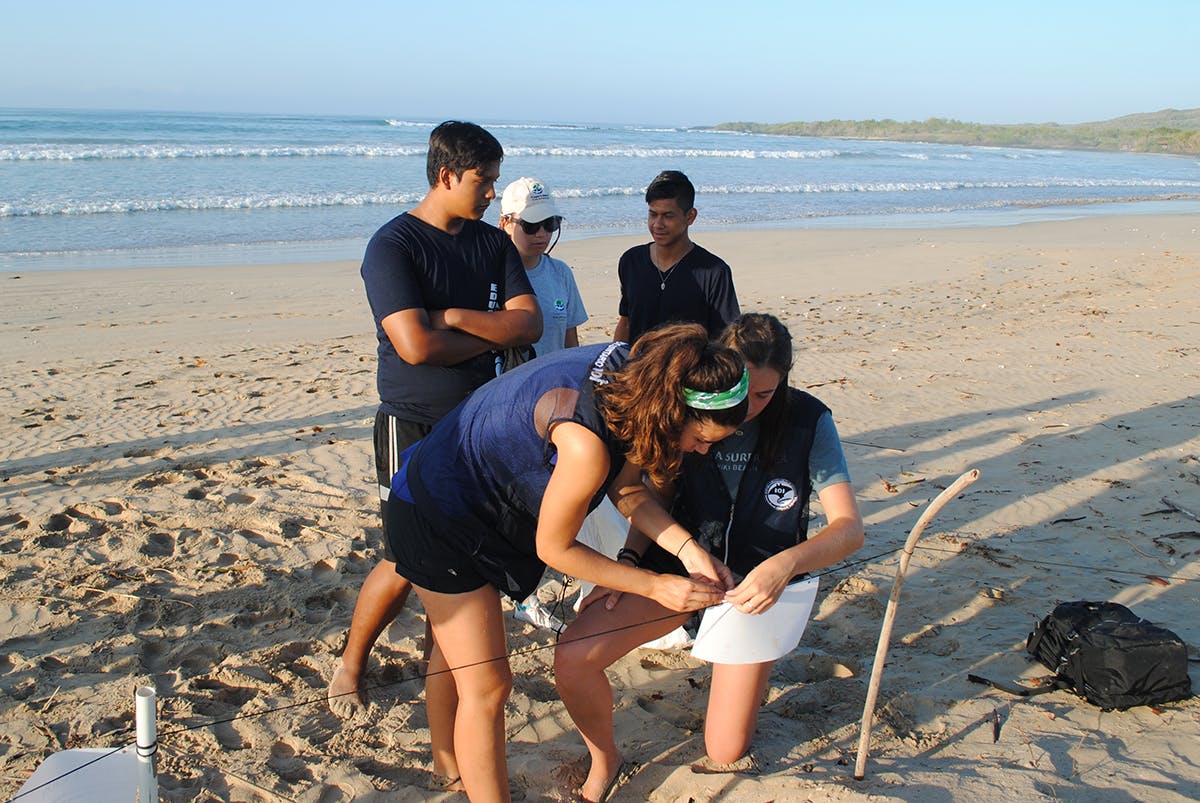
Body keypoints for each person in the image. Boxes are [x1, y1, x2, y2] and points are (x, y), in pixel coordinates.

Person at [386, 324, 748, 802]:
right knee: (489, 685)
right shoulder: (585, 443)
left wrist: (689, 551)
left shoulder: (634, 369)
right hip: (438, 515)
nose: (702, 451)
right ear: (671, 413)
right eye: (700, 438)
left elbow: (628, 488)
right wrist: (655, 585)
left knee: (456, 656)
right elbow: (554, 550)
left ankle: (448, 763)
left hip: (465, 490)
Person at [554, 313, 865, 801]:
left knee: (724, 750)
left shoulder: (808, 419)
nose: (747, 410)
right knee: (573, 656)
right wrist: (630, 564)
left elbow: (849, 530)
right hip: (684, 575)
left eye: (764, 396)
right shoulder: (686, 408)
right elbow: (640, 493)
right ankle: (604, 760)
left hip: (753, 593)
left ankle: (742, 667)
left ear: (784, 381)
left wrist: (783, 565)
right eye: (743, 392)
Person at [328, 121, 542, 721]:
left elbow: (527, 327)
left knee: (465, 563)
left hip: (481, 424)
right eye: (484, 181)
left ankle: (441, 675)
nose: (492, 194)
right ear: (447, 175)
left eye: (495, 182)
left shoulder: (492, 244)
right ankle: (352, 660)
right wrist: (480, 332)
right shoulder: (393, 247)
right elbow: (414, 348)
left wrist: (451, 314)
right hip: (415, 424)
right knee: (405, 558)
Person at [498, 176, 591, 632]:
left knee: (556, 499)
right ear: (505, 222)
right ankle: (522, 592)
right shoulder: (488, 273)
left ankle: (541, 588)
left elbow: (572, 342)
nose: (541, 233)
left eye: (551, 223)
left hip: (556, 408)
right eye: (531, 224)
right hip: (504, 405)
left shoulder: (561, 275)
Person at [612, 170, 740, 344]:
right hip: (638, 369)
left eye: (668, 216)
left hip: (688, 370)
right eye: (652, 214)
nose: (657, 224)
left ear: (690, 216)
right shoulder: (631, 261)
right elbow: (626, 322)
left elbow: (724, 340)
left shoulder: (714, 272)